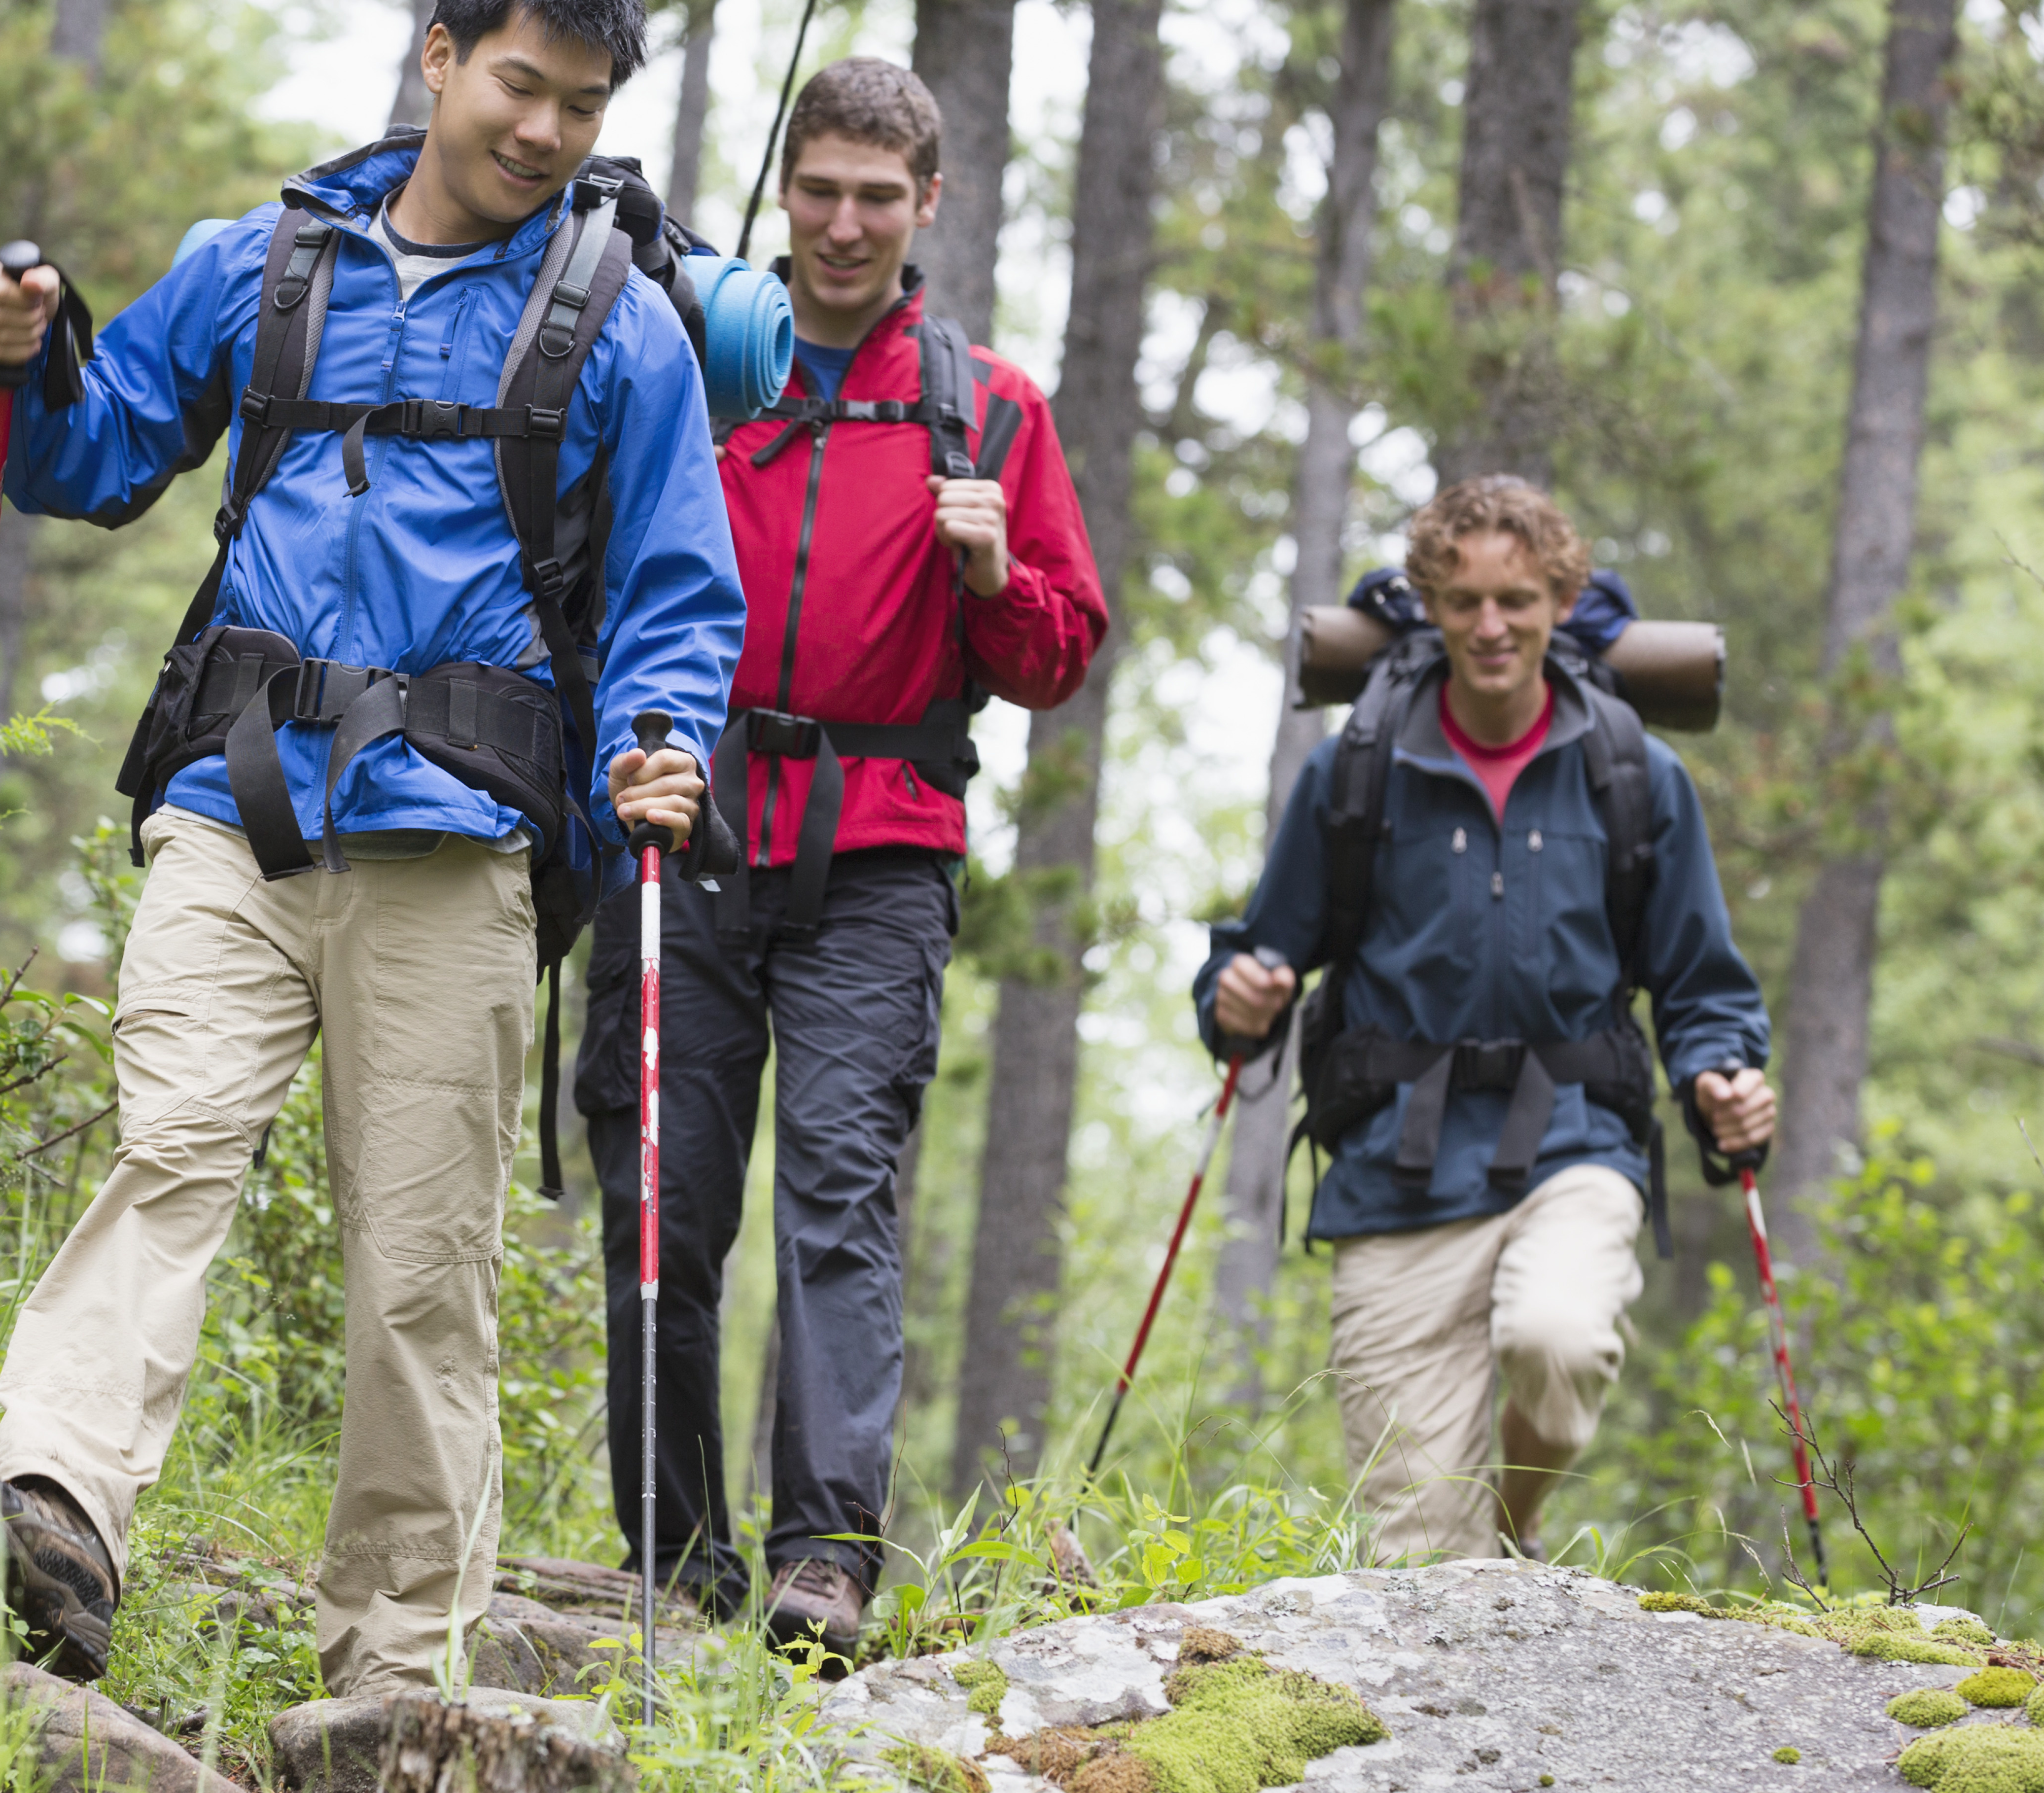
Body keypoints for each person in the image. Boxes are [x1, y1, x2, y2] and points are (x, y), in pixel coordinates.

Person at [0, 0, 740, 1700]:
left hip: (458, 840)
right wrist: (19, 355)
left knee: (423, 1269)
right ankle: (58, 1510)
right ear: (440, 57)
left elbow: (675, 589)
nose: (543, 131)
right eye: (521, 84)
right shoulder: (264, 266)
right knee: (171, 1142)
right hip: (235, 803)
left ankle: (395, 1664)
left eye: (581, 108)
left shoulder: (624, 328)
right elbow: (85, 455)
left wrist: (665, 747)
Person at [574, 58, 1106, 1670]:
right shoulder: (692, 366)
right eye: (822, 190)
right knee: (661, 1191)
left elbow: (1061, 650)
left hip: (881, 853)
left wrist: (995, 569)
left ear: (928, 207)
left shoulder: (990, 408)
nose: (846, 224)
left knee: (838, 1193)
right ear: (788, 189)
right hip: (691, 823)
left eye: (881, 197)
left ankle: (824, 1561)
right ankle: (674, 1559)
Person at [1194, 476, 1777, 1563]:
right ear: (1429, 606)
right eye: (1464, 601)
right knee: (1421, 1556)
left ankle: (1514, 1522)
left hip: (1576, 1143)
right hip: (1392, 1172)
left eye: (1517, 598)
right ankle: (1480, 1577)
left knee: (1557, 1347)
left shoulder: (1633, 775)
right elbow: (1262, 944)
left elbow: (1704, 983)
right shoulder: (1360, 769)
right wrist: (1238, 996)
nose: (1492, 625)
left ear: (1562, 598)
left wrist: (1722, 1074)